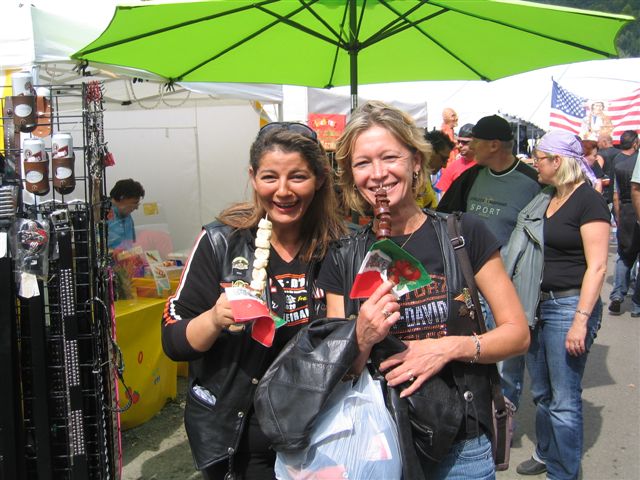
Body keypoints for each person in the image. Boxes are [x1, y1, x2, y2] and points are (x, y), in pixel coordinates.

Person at [319, 101, 529, 479]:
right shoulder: (343, 256)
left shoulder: (463, 234)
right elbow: (339, 372)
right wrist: (362, 336)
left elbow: (517, 335)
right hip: (376, 440)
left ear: (416, 161)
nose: (378, 174)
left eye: (390, 157)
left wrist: (446, 348)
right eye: (363, 163)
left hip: (462, 447)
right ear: (351, 175)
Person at [161, 123, 346, 479]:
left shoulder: (343, 247)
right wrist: (214, 318)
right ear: (253, 177)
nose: (283, 191)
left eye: (298, 177)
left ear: (320, 179)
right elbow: (173, 340)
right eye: (269, 177)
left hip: (324, 433)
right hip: (241, 441)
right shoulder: (220, 241)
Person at [514, 130, 610, 479]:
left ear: (558, 161)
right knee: (542, 392)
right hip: (537, 305)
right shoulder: (546, 197)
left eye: (539, 158)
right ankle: (546, 452)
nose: (534, 164)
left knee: (564, 399)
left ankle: (564, 472)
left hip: (569, 306)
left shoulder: (588, 201)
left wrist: (580, 320)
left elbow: (598, 267)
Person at [438, 114, 540, 410]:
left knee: (507, 363)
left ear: (494, 145)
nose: (468, 148)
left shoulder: (532, 182)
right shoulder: (470, 177)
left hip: (508, 286)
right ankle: (481, 412)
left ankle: (504, 418)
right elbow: (445, 215)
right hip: (469, 286)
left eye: (476, 142)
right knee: (472, 353)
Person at [608, 130, 640, 317]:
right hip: (633, 210)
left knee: (624, 255)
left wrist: (619, 217)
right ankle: (636, 304)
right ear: (635, 143)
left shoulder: (619, 165)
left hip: (626, 211)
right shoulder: (625, 164)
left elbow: (616, 195)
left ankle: (618, 294)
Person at [416, 129, 455, 208]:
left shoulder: (424, 174)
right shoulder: (416, 177)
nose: (444, 165)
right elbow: (415, 213)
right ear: (430, 151)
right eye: (443, 159)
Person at [436, 123, 477, 194]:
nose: (460, 145)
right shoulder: (452, 167)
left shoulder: (486, 166)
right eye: (459, 141)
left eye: (465, 142)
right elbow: (445, 196)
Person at [107, 178, 145, 250]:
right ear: (122, 197)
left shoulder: (127, 216)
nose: (136, 208)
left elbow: (130, 245)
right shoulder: (101, 215)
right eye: (134, 203)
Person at [597, 132, 618, 205]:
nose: (597, 144)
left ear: (604, 142)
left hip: (605, 193)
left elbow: (597, 174)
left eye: (598, 142)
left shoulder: (600, 155)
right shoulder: (620, 153)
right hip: (618, 190)